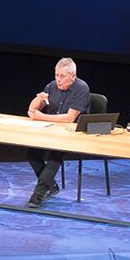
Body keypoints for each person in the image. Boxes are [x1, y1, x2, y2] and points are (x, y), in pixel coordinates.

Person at [25, 57, 90, 208]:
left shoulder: (82, 88)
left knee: (55, 156)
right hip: (51, 132)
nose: (58, 80)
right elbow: (32, 109)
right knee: (32, 154)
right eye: (56, 75)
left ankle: (38, 194)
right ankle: (51, 186)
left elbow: (69, 118)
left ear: (72, 76)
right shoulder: (51, 86)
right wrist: (38, 99)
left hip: (73, 134)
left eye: (62, 76)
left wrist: (41, 117)